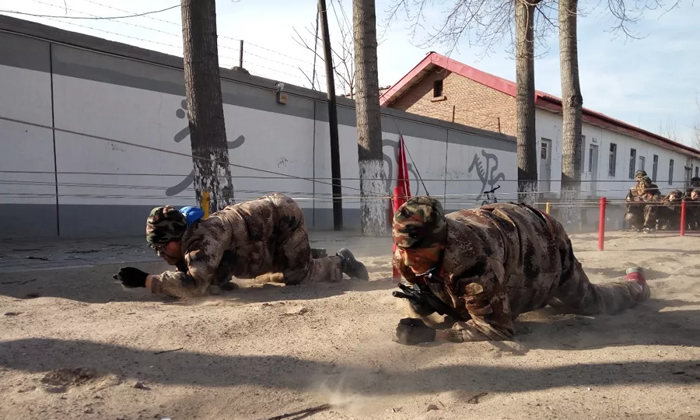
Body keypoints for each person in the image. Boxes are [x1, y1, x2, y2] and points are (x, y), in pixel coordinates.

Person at [391, 196, 650, 345]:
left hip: (541, 239)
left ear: (440, 242)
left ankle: (636, 284)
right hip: (504, 227)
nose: (407, 257)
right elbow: (433, 277)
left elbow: (497, 329)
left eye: (417, 251)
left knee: (590, 303)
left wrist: (435, 335)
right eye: (402, 249)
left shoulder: (474, 261)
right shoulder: (407, 249)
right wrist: (427, 296)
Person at [113, 193, 369, 298]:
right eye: (155, 248)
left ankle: (339, 261)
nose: (160, 253)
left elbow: (195, 283)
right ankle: (305, 254)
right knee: (265, 271)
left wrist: (146, 281)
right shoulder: (193, 238)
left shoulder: (204, 240)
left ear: (177, 238)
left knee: (299, 277)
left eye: (163, 245)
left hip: (283, 218)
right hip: (266, 232)